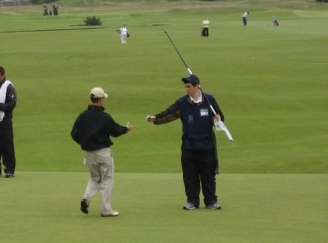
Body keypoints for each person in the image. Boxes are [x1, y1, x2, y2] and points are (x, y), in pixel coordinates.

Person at [146, 73, 224, 210]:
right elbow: (169, 113)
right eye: (186, 87)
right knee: (190, 176)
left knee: (208, 176)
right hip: (189, 145)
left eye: (189, 86)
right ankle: (192, 201)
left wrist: (218, 118)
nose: (187, 89)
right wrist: (155, 118)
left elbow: (220, 117)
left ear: (197, 86)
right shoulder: (182, 102)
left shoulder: (209, 99)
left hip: (207, 145)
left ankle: (211, 201)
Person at [71, 87, 132, 217]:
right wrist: (126, 129)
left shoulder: (83, 116)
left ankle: (86, 198)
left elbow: (74, 133)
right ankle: (106, 209)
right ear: (100, 99)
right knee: (107, 179)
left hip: (90, 154)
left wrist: (84, 142)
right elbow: (115, 131)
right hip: (103, 153)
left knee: (94, 178)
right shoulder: (104, 117)